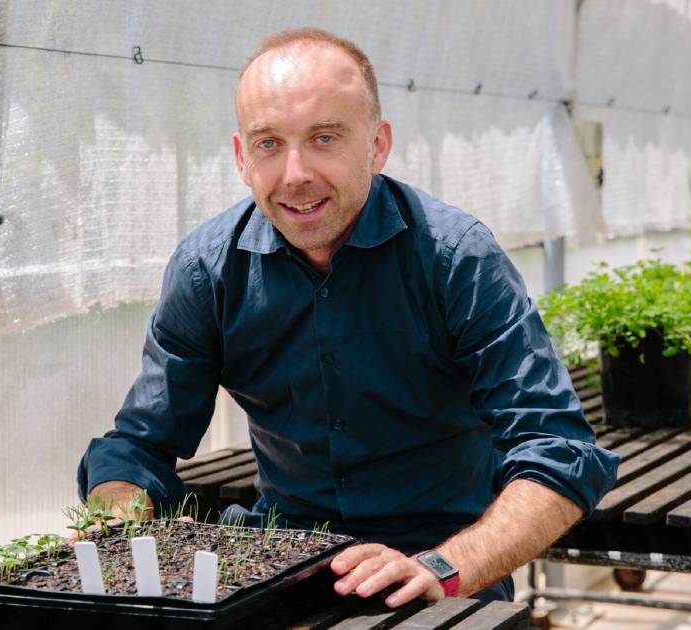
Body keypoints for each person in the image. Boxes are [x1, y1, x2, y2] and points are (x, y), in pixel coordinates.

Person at [77, 27, 618, 607]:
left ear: (378, 145)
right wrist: (120, 511)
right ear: (241, 157)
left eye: (324, 137)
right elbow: (139, 443)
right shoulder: (209, 270)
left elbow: (559, 450)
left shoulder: (456, 258)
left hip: (439, 564)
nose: (295, 174)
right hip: (281, 560)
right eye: (268, 144)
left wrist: (444, 567)